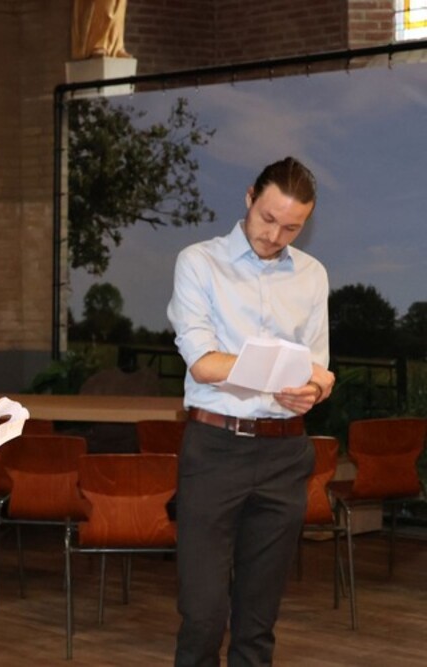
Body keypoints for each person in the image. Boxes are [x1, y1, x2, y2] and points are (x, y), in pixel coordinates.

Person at [166, 156, 336, 666]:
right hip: (214, 451)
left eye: (292, 228)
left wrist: (313, 391)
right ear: (249, 197)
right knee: (203, 617)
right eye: (268, 218)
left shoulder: (312, 275)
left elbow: (319, 367)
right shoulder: (199, 262)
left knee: (258, 624)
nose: (275, 235)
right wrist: (280, 374)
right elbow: (203, 363)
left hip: (286, 455)